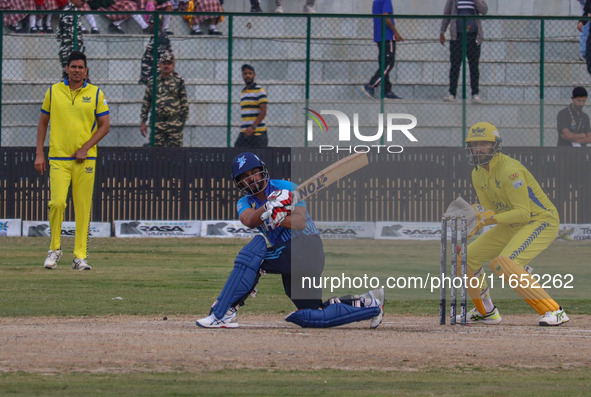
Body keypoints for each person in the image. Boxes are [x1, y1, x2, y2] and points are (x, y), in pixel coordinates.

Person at [196, 152, 384, 329]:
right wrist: (270, 206)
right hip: (288, 256)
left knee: (254, 258)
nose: (252, 178)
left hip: (306, 247)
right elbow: (250, 221)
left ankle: (225, 312)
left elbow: (301, 222)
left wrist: (280, 217)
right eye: (246, 176)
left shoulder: (288, 188)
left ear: (262, 170)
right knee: (314, 311)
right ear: (239, 182)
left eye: (255, 172)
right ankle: (369, 303)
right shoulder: (245, 202)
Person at [461, 122, 569, 326]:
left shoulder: (510, 171)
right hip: (512, 224)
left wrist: (489, 219)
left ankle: (554, 311)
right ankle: (486, 311)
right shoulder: (477, 173)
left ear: (496, 145)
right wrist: (478, 219)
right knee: (465, 257)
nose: (478, 149)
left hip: (541, 220)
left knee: (504, 263)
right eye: (474, 144)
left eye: (484, 143)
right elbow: (491, 210)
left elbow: (522, 212)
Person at [34, 51, 110, 271]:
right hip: (58, 157)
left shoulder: (96, 93)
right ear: (66, 69)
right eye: (73, 67)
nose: (77, 70)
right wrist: (40, 153)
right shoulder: (53, 91)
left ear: (86, 71)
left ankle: (80, 257)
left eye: (81, 67)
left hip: (85, 161)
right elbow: (42, 123)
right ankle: (55, 249)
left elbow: (105, 125)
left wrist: (85, 148)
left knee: (83, 208)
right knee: (57, 203)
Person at [440, 0, 488, 103]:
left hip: (473, 36)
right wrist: (442, 31)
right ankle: (452, 93)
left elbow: (484, 11)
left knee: (474, 66)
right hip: (457, 36)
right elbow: (447, 13)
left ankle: (475, 94)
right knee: (455, 65)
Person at [140, 51, 189, 147]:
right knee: (156, 154)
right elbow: (146, 102)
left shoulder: (178, 81)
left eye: (169, 63)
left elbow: (184, 103)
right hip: (157, 124)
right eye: (164, 63)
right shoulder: (153, 82)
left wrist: (181, 122)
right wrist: (143, 122)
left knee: (175, 153)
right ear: (159, 65)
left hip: (174, 124)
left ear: (173, 65)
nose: (166, 66)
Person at [361, 0, 404, 100]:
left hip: (379, 36)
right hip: (387, 36)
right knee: (389, 63)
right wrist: (396, 33)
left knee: (384, 64)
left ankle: (386, 91)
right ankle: (371, 85)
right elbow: (386, 18)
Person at [234, 64, 268, 147]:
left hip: (258, 134)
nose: (247, 76)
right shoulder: (243, 92)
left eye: (250, 73)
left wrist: (253, 127)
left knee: (258, 158)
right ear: (242, 76)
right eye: (245, 73)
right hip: (245, 133)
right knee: (237, 154)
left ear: (254, 75)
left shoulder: (259, 91)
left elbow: (263, 111)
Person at [138, 16, 172, 85]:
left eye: (152, 23)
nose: (150, 25)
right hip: (150, 76)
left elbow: (163, 58)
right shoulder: (155, 36)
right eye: (149, 23)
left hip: (156, 77)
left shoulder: (162, 38)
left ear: (159, 26)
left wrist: (156, 77)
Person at [57, 0, 86, 80]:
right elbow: (71, 34)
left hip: (70, 49)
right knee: (69, 77)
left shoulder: (68, 10)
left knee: (69, 76)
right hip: (70, 50)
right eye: (82, 0)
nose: (83, 3)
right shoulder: (71, 11)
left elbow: (58, 34)